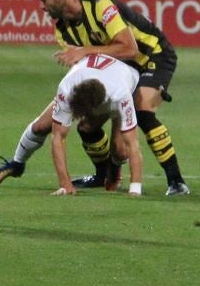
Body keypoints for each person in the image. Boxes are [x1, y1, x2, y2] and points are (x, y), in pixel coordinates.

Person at [0, 0, 190, 195]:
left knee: (142, 113)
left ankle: (176, 181)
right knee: (85, 127)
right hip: (118, 72)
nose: (41, 6)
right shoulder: (62, 30)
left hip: (152, 56)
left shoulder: (99, 5)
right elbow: (90, 72)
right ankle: (103, 175)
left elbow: (130, 49)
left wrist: (84, 51)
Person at [46, 54, 146, 196]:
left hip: (128, 80)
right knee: (85, 128)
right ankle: (104, 175)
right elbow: (57, 137)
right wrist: (65, 185)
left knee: (121, 150)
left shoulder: (121, 95)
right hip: (100, 79)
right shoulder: (67, 89)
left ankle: (115, 171)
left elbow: (133, 143)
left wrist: (135, 190)